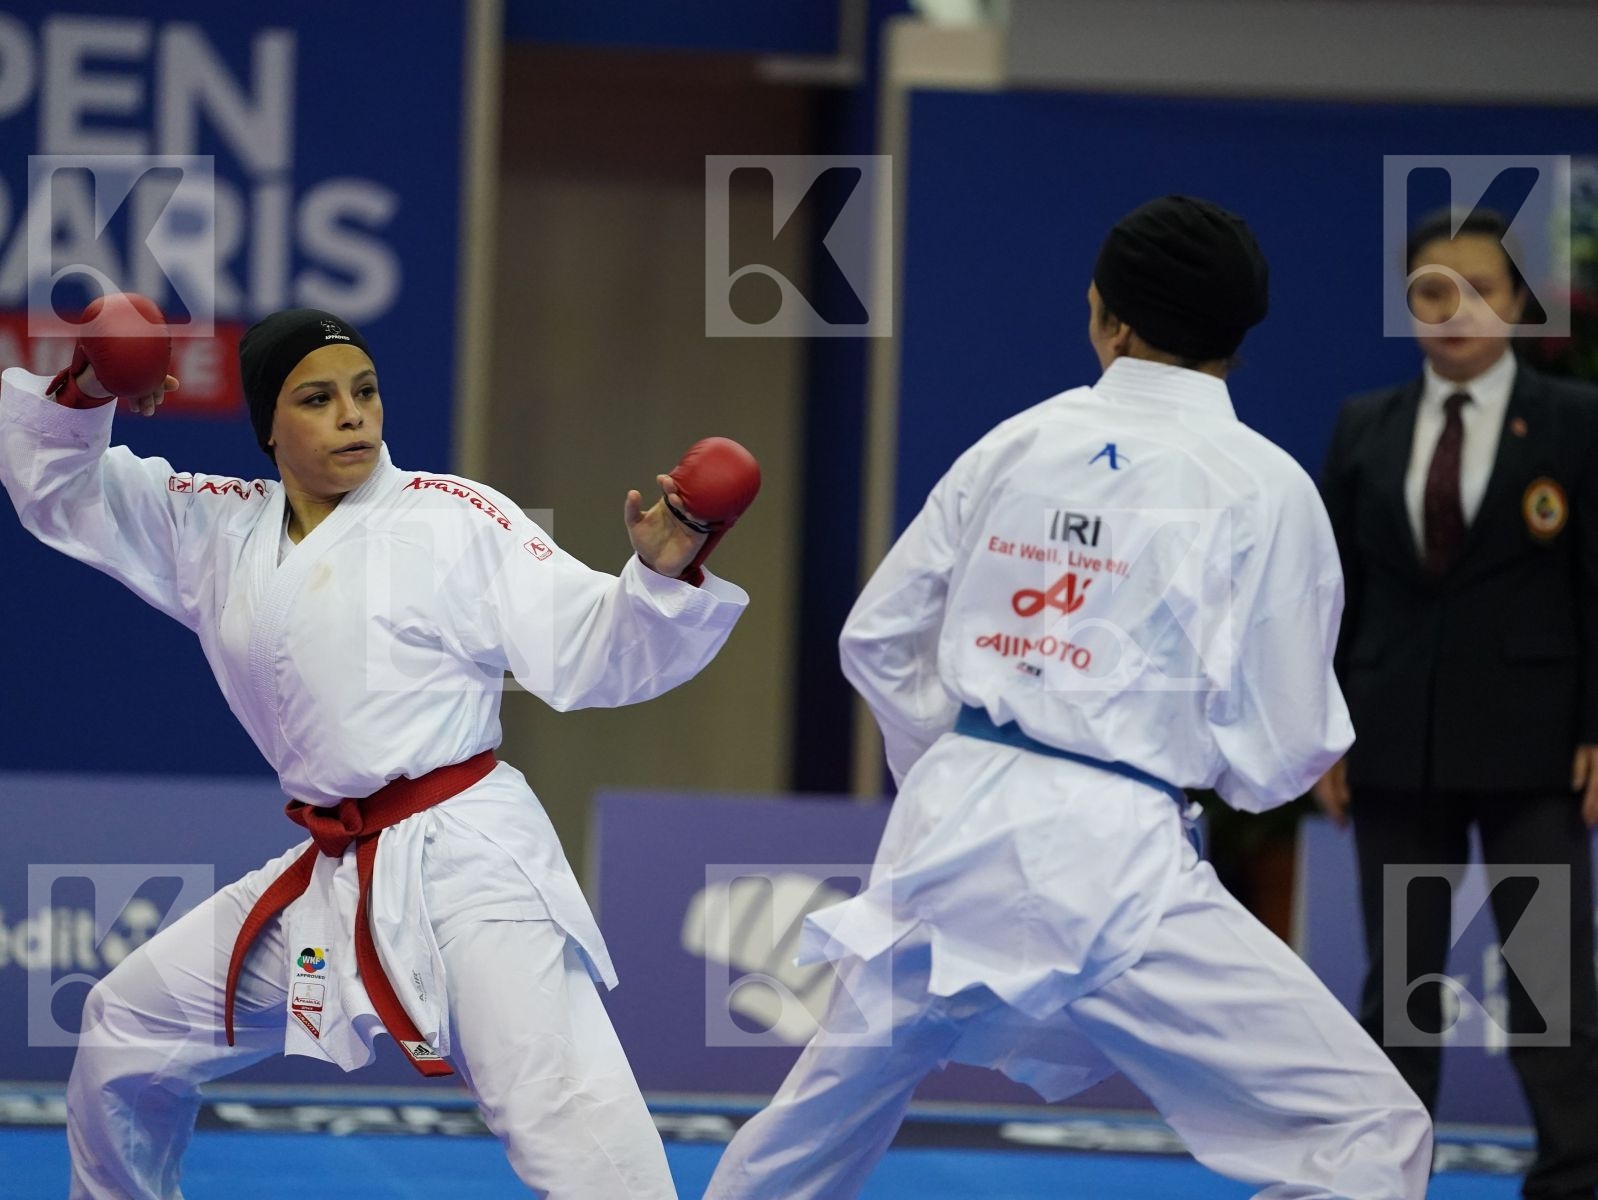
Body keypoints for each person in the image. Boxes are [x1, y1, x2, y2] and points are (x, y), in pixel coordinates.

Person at [703, 196, 1432, 1200]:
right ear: (1237, 336)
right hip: (1112, 855)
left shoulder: (1018, 443)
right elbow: (1284, 749)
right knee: (1365, 1130)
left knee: (810, 1133)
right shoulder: (1263, 488)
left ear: (1108, 318)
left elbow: (874, 638)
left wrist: (958, 765)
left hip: (947, 826)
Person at [0, 304, 757, 1199]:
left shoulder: (452, 518)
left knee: (580, 1140)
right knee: (125, 1028)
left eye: (365, 391)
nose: (353, 413)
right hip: (336, 873)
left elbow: (593, 642)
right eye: (317, 398)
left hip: (471, 870)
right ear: (269, 429)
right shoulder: (217, 529)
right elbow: (61, 490)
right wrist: (88, 388)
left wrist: (659, 576)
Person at [1314, 207, 1598, 1200]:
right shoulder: (1364, 427)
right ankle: (1386, 1179)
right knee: (1399, 986)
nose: (1455, 308)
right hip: (1393, 749)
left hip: (1534, 753)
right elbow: (1330, 594)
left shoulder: (1575, 421)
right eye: (1431, 290)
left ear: (1516, 303)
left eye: (1478, 288)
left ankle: (1573, 1178)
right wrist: (1324, 733)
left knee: (1545, 983)